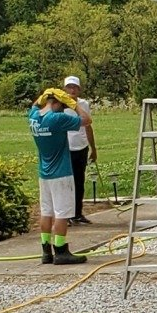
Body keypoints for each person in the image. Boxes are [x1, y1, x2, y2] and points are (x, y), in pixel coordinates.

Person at [29, 88, 86, 265]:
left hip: (44, 174)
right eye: (63, 106)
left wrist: (43, 98)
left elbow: (35, 106)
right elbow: (87, 120)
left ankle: (46, 250)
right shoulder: (57, 118)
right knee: (62, 213)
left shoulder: (34, 117)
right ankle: (61, 251)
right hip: (61, 173)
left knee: (46, 212)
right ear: (59, 104)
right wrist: (74, 105)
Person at [62, 75, 97, 224]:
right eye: (69, 87)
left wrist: (93, 148)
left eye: (75, 87)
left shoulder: (84, 104)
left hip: (81, 146)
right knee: (66, 182)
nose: (72, 90)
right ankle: (66, 214)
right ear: (64, 89)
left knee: (79, 181)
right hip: (65, 147)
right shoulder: (61, 106)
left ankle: (77, 213)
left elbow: (88, 125)